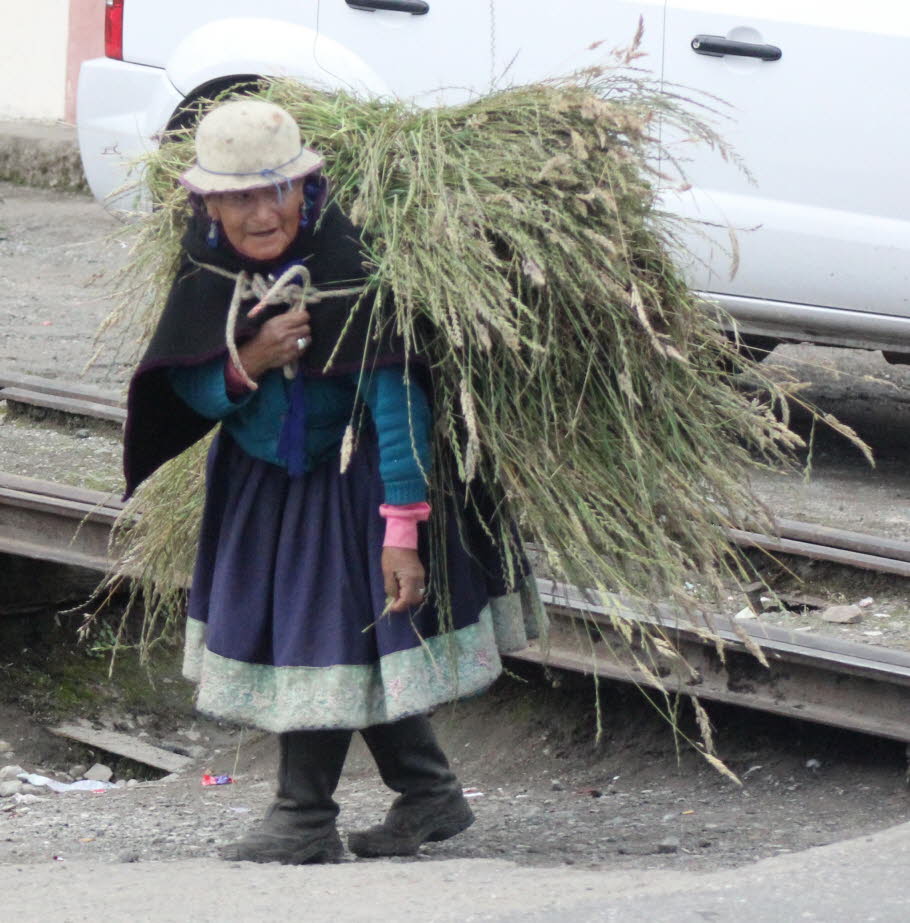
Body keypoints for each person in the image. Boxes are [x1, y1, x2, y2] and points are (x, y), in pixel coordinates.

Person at [122, 99, 543, 865]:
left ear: (306, 189)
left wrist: (403, 529)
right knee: (332, 639)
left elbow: (398, 401)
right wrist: (249, 360)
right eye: (239, 197)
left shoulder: (349, 264)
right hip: (262, 483)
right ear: (208, 203)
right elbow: (182, 388)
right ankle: (428, 792)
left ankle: (302, 816)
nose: (260, 213)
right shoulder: (210, 266)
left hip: (357, 483)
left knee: (323, 634)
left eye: (275, 191)